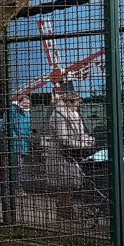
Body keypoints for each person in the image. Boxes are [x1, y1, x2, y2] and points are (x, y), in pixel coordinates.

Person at [46, 89, 94, 220]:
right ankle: (64, 211)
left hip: (72, 153)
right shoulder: (59, 114)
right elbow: (63, 138)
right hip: (61, 153)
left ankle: (66, 210)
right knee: (64, 183)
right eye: (76, 103)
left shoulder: (75, 114)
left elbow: (80, 133)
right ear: (68, 102)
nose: (77, 106)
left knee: (70, 183)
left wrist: (88, 140)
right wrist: (82, 144)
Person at [4, 91, 33, 194]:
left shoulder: (28, 113)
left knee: (18, 168)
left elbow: (28, 128)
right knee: (15, 167)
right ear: (19, 102)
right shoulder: (13, 112)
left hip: (24, 144)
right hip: (15, 143)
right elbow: (7, 126)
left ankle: (13, 188)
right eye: (24, 102)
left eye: (28, 102)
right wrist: (14, 138)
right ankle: (15, 189)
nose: (26, 104)